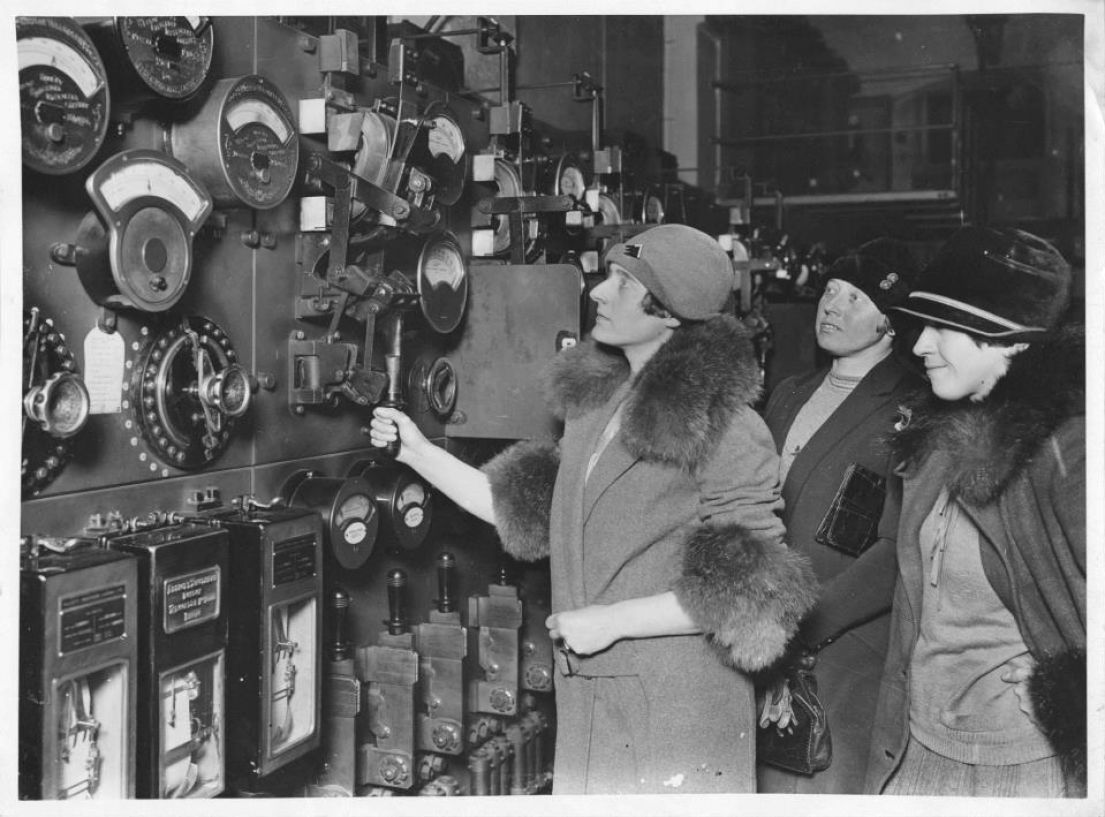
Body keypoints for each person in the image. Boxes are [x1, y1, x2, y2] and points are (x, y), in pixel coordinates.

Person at [370, 224, 817, 794]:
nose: (599, 292)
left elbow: (758, 594)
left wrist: (611, 622)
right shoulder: (597, 407)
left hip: (676, 707)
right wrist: (418, 452)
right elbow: (528, 512)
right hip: (592, 693)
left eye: (623, 282)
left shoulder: (726, 425)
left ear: (671, 313)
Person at [864, 225, 1085, 797]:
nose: (918, 345)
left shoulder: (1069, 450)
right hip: (919, 747)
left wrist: (1073, 687)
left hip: (1021, 764)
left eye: (945, 328)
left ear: (1011, 340)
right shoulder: (937, 438)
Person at [757, 238, 924, 794]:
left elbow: (897, 549)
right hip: (763, 633)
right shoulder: (789, 392)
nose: (832, 306)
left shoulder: (913, 407)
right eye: (830, 292)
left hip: (841, 647)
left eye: (854, 298)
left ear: (889, 322)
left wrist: (804, 628)